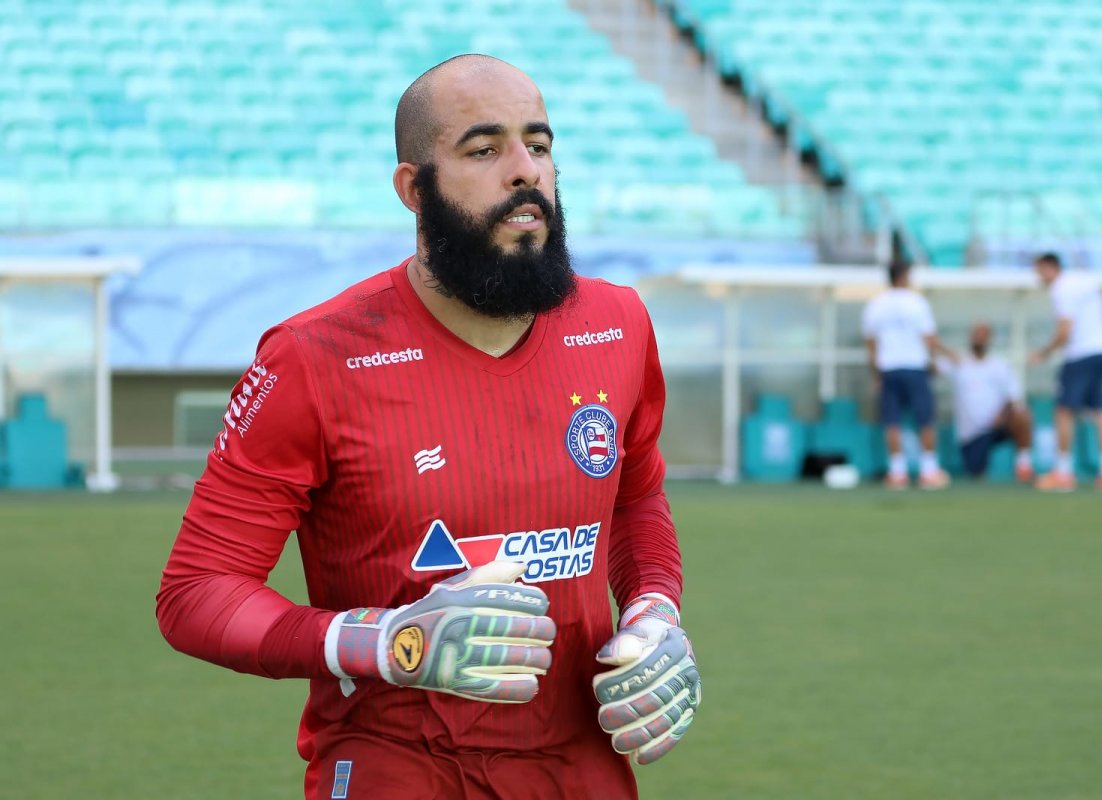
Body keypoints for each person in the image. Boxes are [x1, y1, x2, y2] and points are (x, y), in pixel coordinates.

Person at [156, 54, 700, 800]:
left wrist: (654, 612)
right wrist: (388, 643)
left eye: (538, 146)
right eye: (484, 150)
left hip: (582, 762)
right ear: (414, 189)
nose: (524, 172)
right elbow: (196, 592)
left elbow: (636, 501)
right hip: (398, 765)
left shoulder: (618, 324)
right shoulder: (312, 358)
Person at [1028, 252, 1102, 491]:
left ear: (1050, 268)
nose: (1038, 278)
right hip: (1101, 350)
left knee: (1063, 411)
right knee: (1100, 410)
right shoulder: (1084, 281)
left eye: (1039, 271)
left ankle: (1063, 472)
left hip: (1079, 354)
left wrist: (1043, 352)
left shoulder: (1061, 289)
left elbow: (1065, 331)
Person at [862, 259, 955, 489]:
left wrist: (876, 373)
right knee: (925, 419)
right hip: (914, 367)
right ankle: (929, 470)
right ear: (904, 276)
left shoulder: (876, 304)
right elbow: (929, 339)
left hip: (889, 368)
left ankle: (897, 472)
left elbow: (871, 344)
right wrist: (944, 356)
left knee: (891, 421)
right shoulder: (917, 302)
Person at [939, 323, 1034, 481]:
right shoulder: (958, 362)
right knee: (975, 472)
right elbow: (932, 368)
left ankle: (1024, 465)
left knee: (1021, 415)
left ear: (989, 338)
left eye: (983, 334)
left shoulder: (1001, 365)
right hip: (971, 434)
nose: (979, 338)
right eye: (976, 334)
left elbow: (1013, 397)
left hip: (996, 426)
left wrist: (1001, 415)